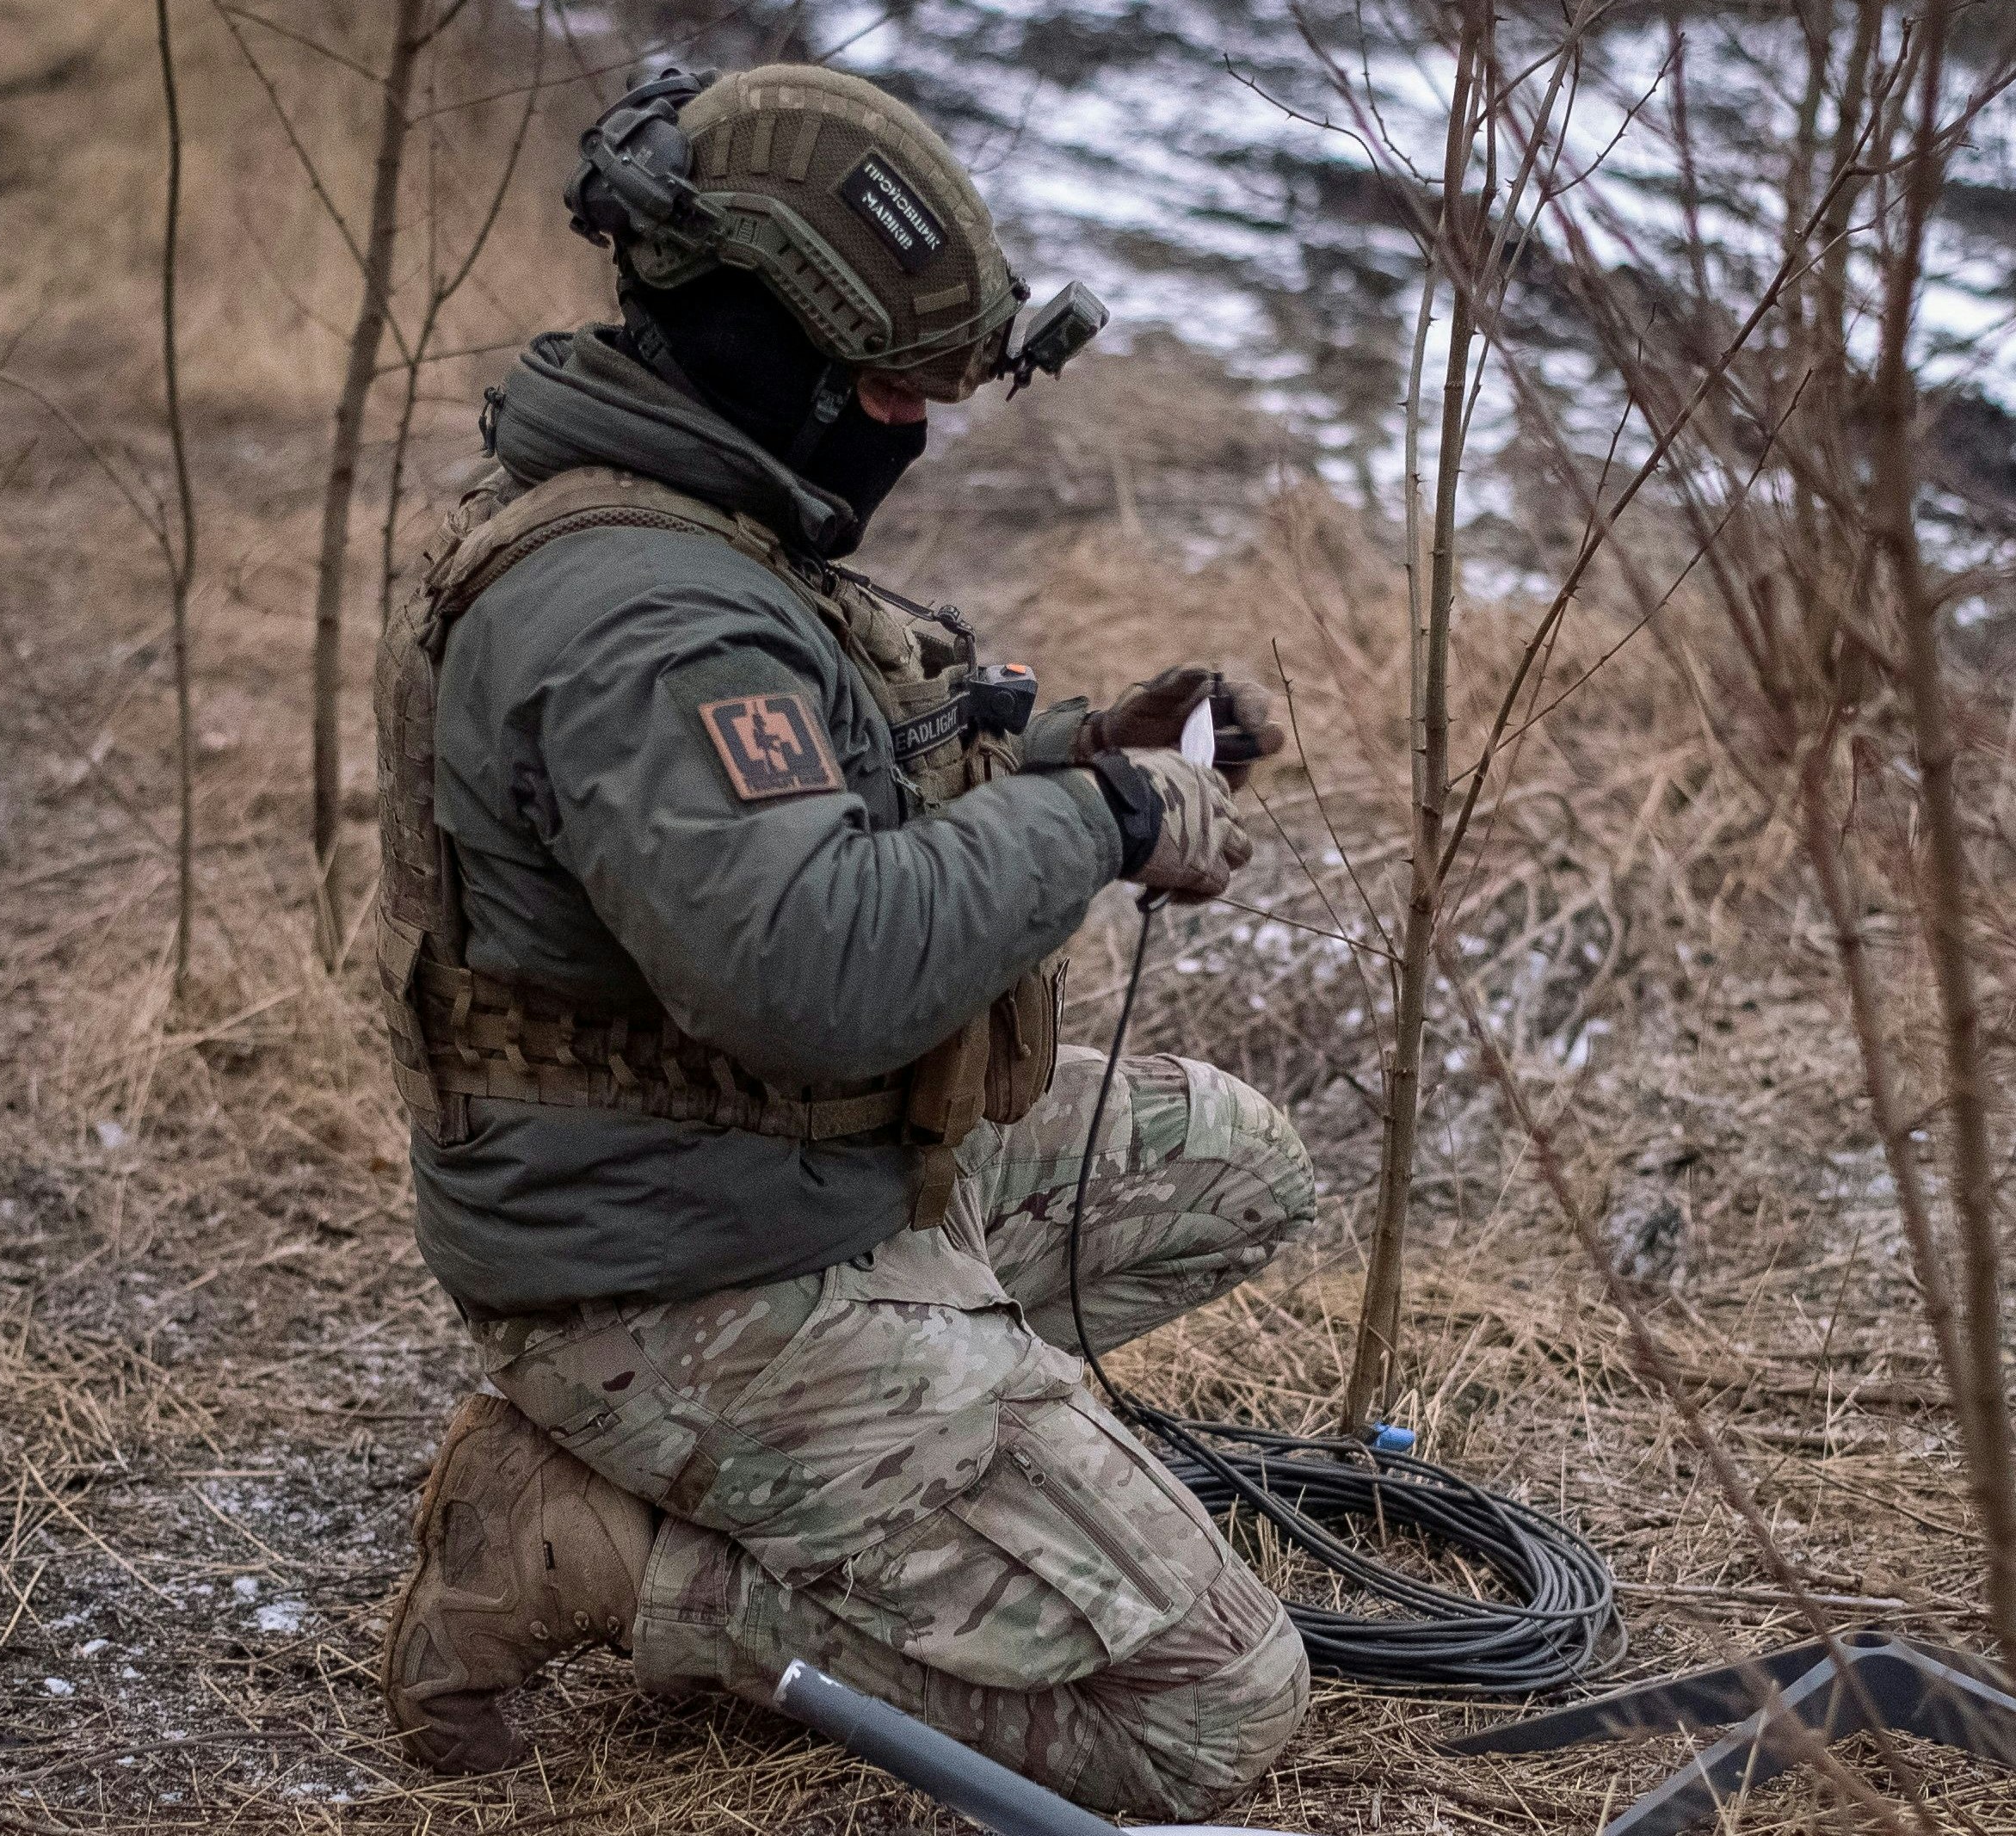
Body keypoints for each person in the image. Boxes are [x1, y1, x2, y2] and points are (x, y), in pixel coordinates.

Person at [366, 64, 1316, 1822]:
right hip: (664, 1268)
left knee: (1238, 1162)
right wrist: (1096, 823)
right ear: (758, 344)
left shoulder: (700, 534)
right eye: (884, 388)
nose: (910, 430)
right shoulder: (647, 616)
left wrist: (1082, 744)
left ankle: (899, 1439)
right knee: (1213, 1702)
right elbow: (811, 972)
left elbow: (832, 802)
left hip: (774, 1173)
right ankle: (592, 1550)